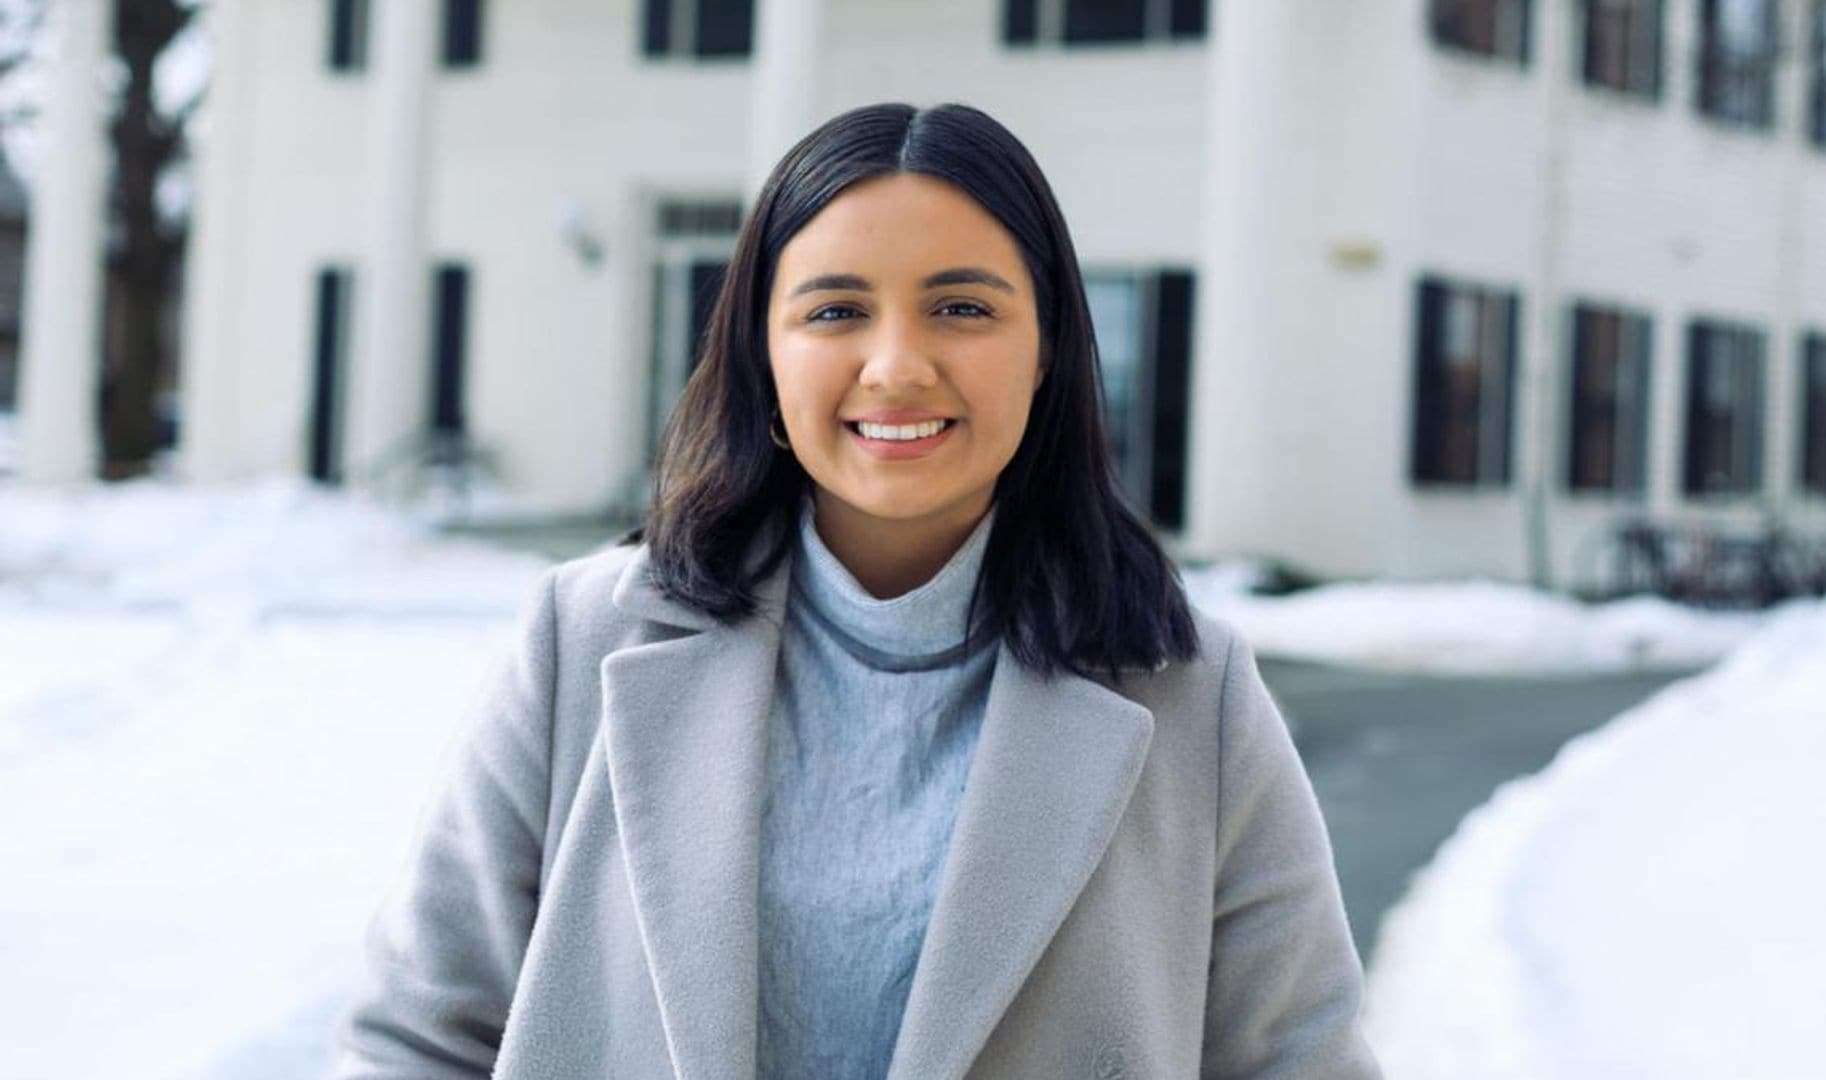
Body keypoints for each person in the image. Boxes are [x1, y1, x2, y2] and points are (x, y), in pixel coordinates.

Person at [333, 102, 1380, 1079]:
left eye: (961, 307)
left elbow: (1301, 1056)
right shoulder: (583, 640)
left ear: (1049, 348)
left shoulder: (1193, 694)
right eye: (836, 310)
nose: (895, 367)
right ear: (763, 353)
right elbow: (421, 1035)